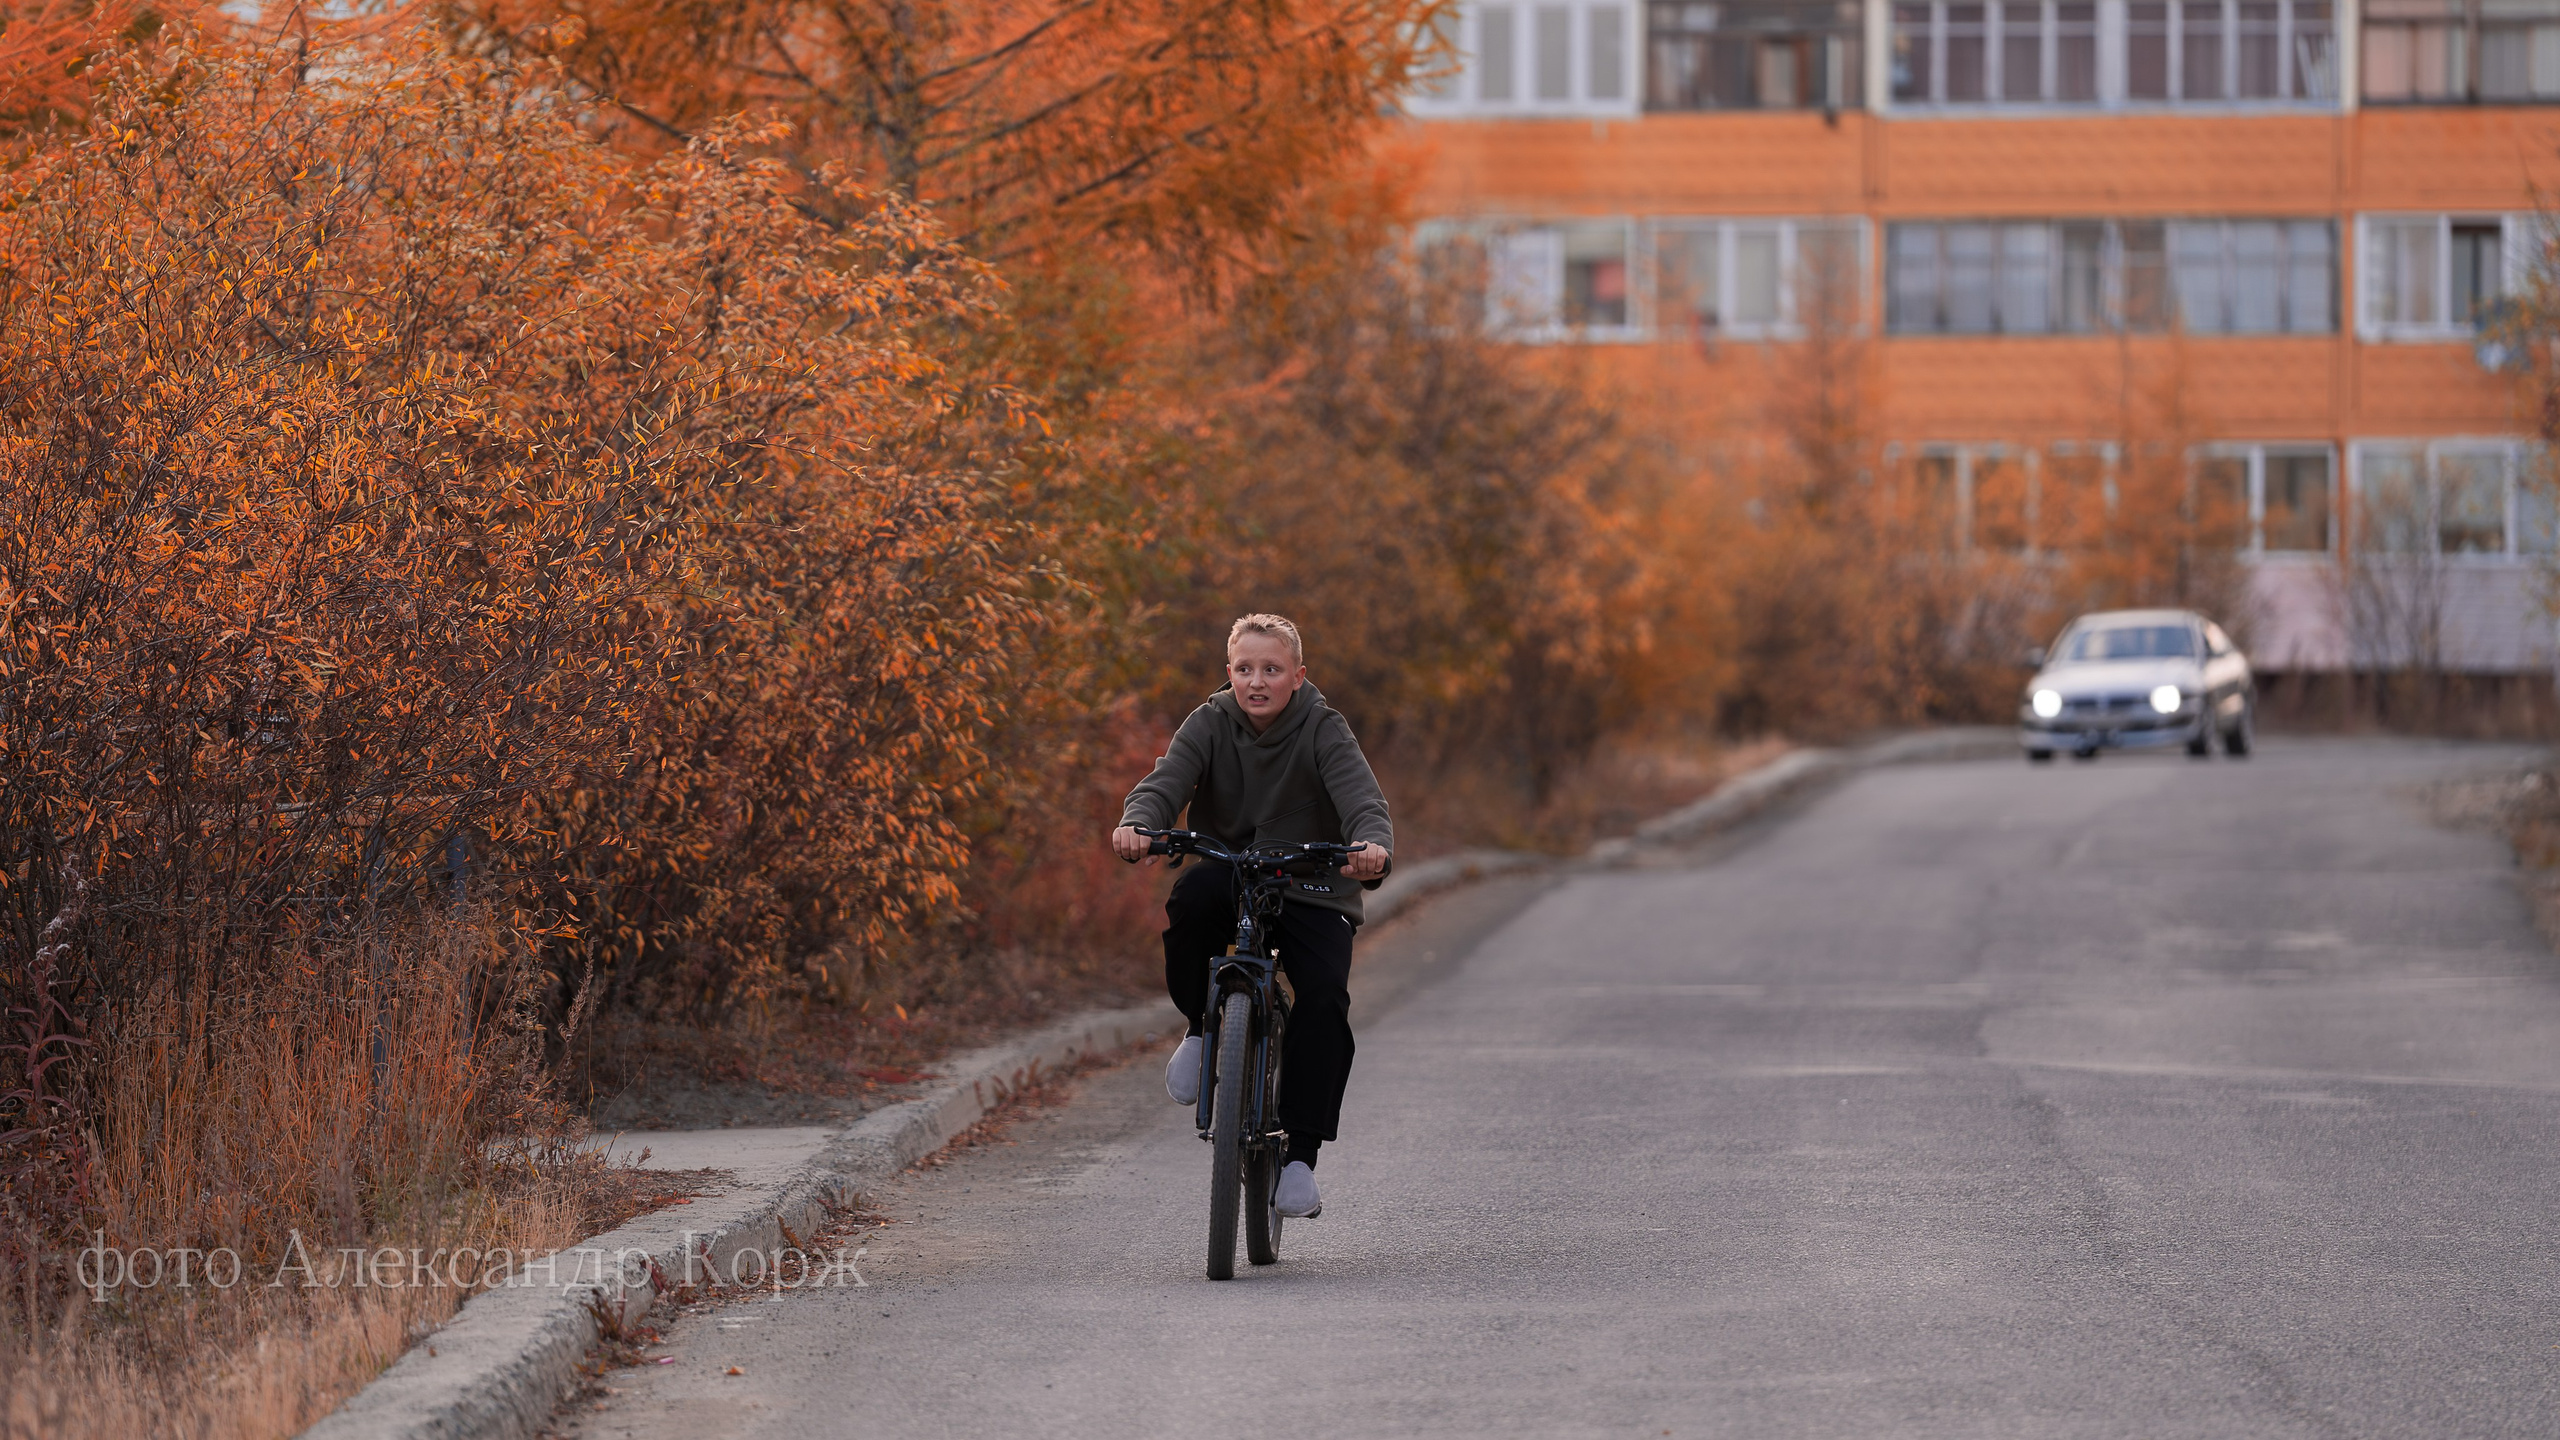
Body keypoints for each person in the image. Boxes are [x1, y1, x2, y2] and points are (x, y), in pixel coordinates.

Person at [1111, 614, 1393, 1220]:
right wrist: (1139, 822)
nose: (1256, 681)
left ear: (1297, 676)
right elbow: (1166, 781)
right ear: (1230, 673)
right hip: (1232, 868)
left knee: (1322, 996)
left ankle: (1299, 1160)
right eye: (1244, 669)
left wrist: (1369, 848)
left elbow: (1362, 801)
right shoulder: (1210, 721)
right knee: (1190, 901)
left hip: (1313, 883)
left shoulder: (1323, 728)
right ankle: (1199, 1026)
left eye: (1271, 669)